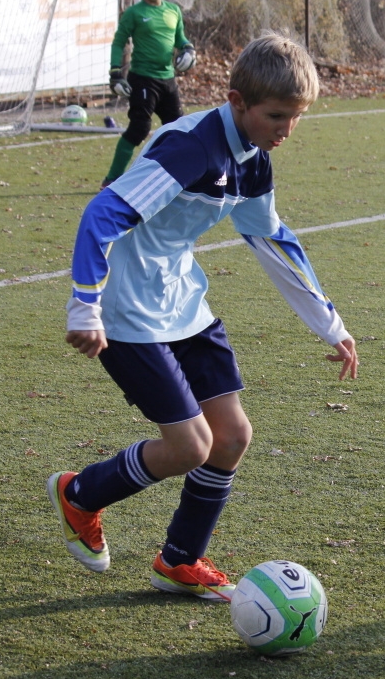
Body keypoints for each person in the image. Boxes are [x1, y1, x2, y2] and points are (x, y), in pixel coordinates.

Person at [49, 33, 359, 601]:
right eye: (277, 115)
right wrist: (84, 305)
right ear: (237, 101)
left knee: (232, 436)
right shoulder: (189, 147)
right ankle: (80, 494)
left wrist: (330, 325)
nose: (287, 129)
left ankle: (179, 560)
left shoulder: (254, 161)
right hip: (126, 310)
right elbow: (103, 212)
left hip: (183, 302)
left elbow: (270, 237)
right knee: (191, 446)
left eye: (296, 117)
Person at [102, 0, 197, 189]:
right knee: (139, 129)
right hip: (143, 79)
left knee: (178, 129)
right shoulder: (135, 13)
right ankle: (112, 179)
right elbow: (118, 42)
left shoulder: (173, 11)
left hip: (168, 79)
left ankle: (180, 177)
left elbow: (180, 39)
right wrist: (115, 73)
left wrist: (188, 48)